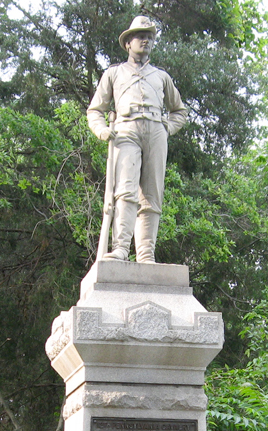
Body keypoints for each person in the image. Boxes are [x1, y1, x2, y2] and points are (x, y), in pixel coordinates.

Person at [87, 16, 188, 263]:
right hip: (125, 130)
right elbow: (95, 109)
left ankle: (145, 254)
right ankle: (121, 248)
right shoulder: (114, 73)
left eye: (149, 37)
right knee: (125, 191)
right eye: (140, 36)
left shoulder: (162, 77)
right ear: (128, 43)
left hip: (155, 130)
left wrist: (167, 129)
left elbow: (180, 111)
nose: (145, 40)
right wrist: (101, 129)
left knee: (152, 195)